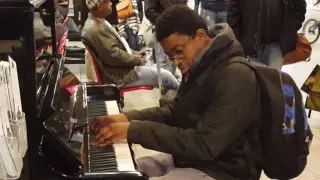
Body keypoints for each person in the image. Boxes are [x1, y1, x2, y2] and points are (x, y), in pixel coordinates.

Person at [90, 5, 263, 180]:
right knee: (126, 172)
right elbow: (175, 112)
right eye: (170, 56)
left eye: (179, 52)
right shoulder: (202, 64)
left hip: (225, 170)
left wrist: (134, 130)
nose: (176, 62)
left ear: (201, 36)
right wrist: (127, 118)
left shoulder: (236, 75)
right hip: (194, 160)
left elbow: (204, 145)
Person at [81, 0, 180, 91]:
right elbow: (114, 56)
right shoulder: (96, 29)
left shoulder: (98, 21)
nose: (111, 3)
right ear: (100, 6)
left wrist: (136, 55)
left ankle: (176, 100)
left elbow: (116, 49)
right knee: (166, 76)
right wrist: (137, 60)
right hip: (119, 76)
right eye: (108, 2)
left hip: (120, 70)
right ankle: (186, 101)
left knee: (162, 69)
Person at [227, 0, 306, 70]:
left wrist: (292, 27)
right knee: (252, 81)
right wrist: (238, 39)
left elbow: (300, 6)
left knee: (273, 81)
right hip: (249, 44)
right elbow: (233, 12)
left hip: (277, 45)